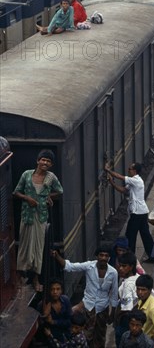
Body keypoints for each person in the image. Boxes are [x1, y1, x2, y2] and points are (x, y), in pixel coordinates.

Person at [13, 149, 63, 291]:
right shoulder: (27, 175)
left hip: (40, 216)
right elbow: (16, 192)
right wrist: (27, 198)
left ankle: (35, 279)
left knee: (38, 248)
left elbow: (60, 191)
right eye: (43, 160)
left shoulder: (50, 177)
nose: (45, 163)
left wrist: (47, 196)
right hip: (27, 215)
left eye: (48, 161)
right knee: (24, 245)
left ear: (51, 164)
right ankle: (21, 275)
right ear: (38, 161)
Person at [51, 247, 118, 348]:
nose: (103, 258)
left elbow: (114, 293)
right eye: (101, 255)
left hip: (102, 309)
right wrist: (57, 256)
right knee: (86, 336)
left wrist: (112, 313)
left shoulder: (113, 272)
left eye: (106, 256)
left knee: (100, 336)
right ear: (97, 256)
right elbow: (70, 267)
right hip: (88, 307)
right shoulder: (89, 266)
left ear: (109, 258)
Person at [105, 163, 154, 261]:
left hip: (137, 213)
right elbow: (123, 190)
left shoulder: (136, 180)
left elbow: (120, 177)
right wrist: (111, 182)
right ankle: (152, 255)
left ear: (134, 171)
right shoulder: (133, 182)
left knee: (130, 235)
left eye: (129, 169)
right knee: (145, 234)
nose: (128, 170)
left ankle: (130, 258)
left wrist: (107, 170)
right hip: (141, 212)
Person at [114, 252, 140, 347]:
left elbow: (126, 309)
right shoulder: (138, 278)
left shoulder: (128, 285)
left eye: (124, 266)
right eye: (120, 266)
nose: (120, 268)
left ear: (131, 267)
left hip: (125, 323)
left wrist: (117, 317)